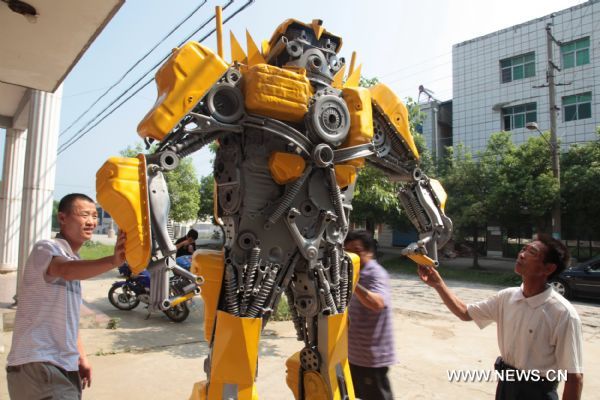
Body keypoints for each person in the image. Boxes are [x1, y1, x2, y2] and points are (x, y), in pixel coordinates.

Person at [417, 234, 583, 400]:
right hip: (506, 387)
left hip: (537, 393)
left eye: (532, 252)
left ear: (548, 269)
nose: (522, 254)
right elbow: (465, 313)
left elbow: (574, 378)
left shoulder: (563, 314)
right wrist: (438, 284)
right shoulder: (507, 297)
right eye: (524, 248)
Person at [6, 193, 126, 400]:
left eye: (95, 216)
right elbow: (65, 270)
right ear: (62, 218)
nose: (92, 222)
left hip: (58, 365)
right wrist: (113, 261)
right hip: (40, 363)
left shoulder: (74, 259)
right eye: (84, 215)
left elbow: (68, 319)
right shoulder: (46, 248)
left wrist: (81, 357)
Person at [344, 230, 396, 400]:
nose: (352, 256)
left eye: (357, 251)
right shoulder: (354, 272)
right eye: (348, 252)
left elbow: (378, 304)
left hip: (371, 358)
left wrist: (354, 283)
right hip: (353, 355)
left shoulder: (375, 273)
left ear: (369, 252)